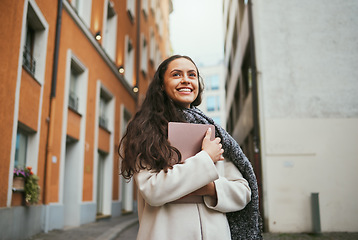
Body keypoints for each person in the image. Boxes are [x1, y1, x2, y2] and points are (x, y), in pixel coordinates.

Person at [119, 55, 262, 240]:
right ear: (161, 85)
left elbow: (243, 192)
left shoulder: (213, 132)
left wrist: (209, 189)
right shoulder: (145, 130)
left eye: (192, 75)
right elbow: (153, 191)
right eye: (176, 74)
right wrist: (205, 158)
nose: (186, 79)